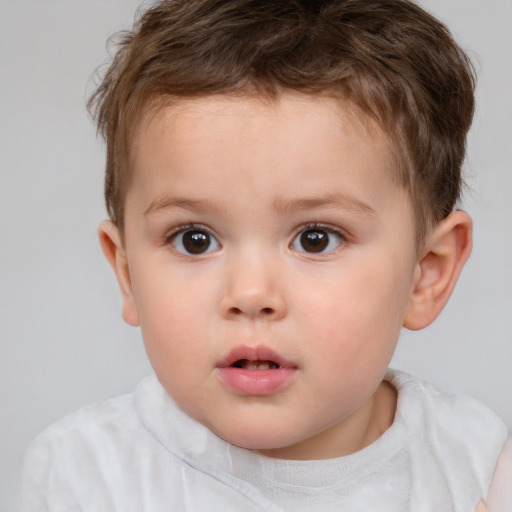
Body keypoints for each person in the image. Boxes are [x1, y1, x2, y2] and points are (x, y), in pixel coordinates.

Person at [20, 0, 511, 510]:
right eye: (195, 239)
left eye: (316, 238)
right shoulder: (85, 476)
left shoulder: (479, 468)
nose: (250, 294)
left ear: (426, 274)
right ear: (126, 273)